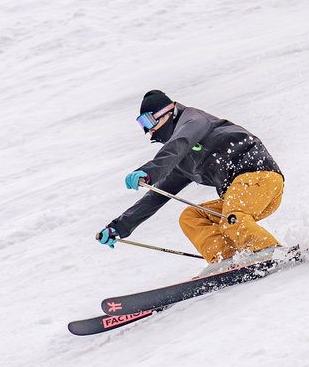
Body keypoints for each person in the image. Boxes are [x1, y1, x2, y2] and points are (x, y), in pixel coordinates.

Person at [96, 90, 285, 265]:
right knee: (192, 217)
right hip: (239, 196)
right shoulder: (183, 163)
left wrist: (149, 171)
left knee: (231, 218)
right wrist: (119, 227)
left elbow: (180, 144)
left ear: (169, 112)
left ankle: (270, 251)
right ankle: (225, 259)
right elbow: (156, 196)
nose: (148, 130)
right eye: (142, 125)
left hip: (259, 179)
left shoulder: (194, 120)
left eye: (149, 122)